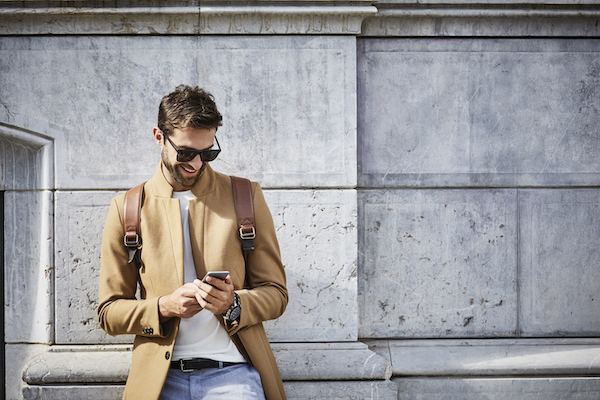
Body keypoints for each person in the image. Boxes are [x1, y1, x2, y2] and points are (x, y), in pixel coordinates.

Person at [97, 85, 288, 400]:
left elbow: (276, 294)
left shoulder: (245, 196)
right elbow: (109, 311)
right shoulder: (128, 207)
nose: (197, 164)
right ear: (159, 137)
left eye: (208, 153)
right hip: (160, 379)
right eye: (185, 153)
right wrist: (164, 307)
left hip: (233, 374)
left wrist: (234, 304)